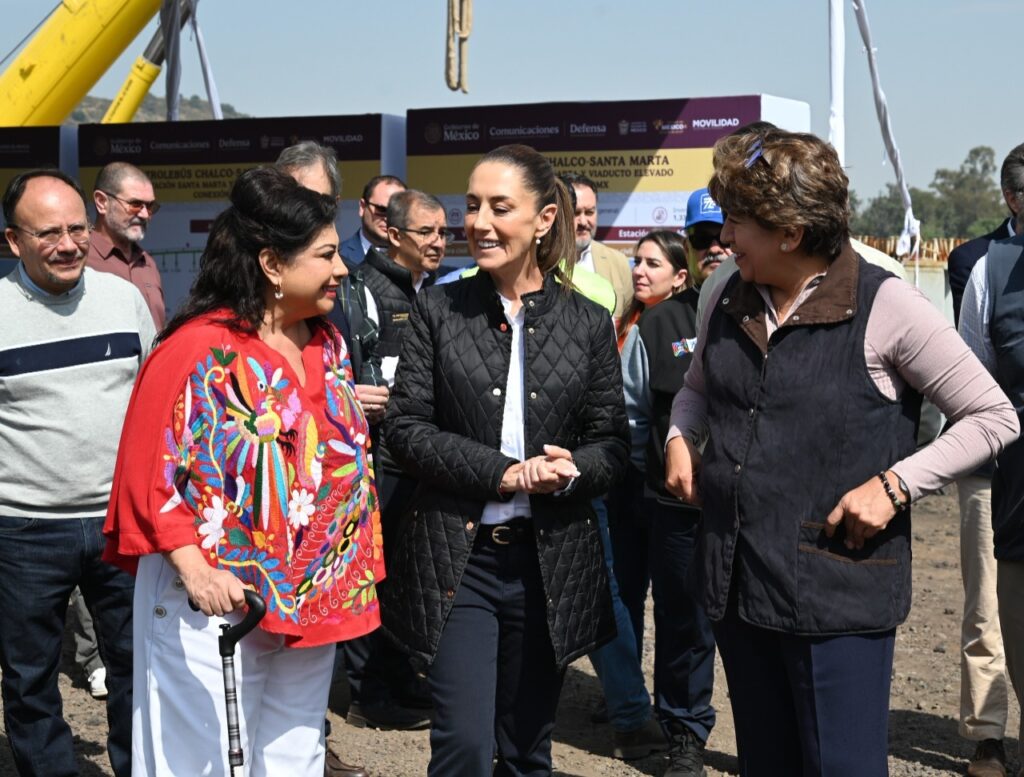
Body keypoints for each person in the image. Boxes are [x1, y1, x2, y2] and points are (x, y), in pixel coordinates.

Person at [664, 128, 1019, 775]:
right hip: (740, 588)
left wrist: (895, 485)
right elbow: (695, 389)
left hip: (838, 596)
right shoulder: (724, 292)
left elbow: (993, 415)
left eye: (737, 221)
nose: (724, 237)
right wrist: (678, 438)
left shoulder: (887, 305)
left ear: (791, 232)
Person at [103, 166, 384, 776]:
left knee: (295, 754)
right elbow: (146, 472)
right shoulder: (196, 349)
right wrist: (194, 568)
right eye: (327, 255)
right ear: (273, 265)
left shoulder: (328, 342)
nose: (342, 269)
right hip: (214, 600)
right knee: (200, 760)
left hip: (312, 596)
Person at [380, 143, 629, 776]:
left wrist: (575, 469)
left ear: (545, 220)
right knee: (462, 744)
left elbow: (612, 445)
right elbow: (405, 430)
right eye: (471, 206)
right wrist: (504, 473)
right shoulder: (440, 311)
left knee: (525, 750)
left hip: (548, 562)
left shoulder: (590, 323)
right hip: (460, 560)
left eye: (500, 207)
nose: (479, 222)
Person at [0, 168, 156, 777]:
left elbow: (156, 402)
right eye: (48, 234)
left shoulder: (124, 301)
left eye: (75, 229)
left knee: (135, 664)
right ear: (14, 241)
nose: (67, 245)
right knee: (31, 674)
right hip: (22, 530)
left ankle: (140, 765)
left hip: (121, 523)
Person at [274, 139, 378, 777]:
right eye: (292, 200)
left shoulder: (336, 315)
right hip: (261, 554)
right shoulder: (227, 327)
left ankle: (311, 740)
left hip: (326, 545)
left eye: (317, 203)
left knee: (302, 687)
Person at [607, 230, 715, 776]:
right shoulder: (653, 322)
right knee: (638, 603)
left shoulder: (741, 316)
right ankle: (646, 711)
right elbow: (630, 413)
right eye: (704, 240)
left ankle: (687, 727)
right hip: (648, 491)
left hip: (716, 501)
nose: (717, 246)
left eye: (654, 262)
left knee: (691, 617)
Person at [947, 142, 1024, 777]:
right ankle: (988, 733)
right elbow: (971, 378)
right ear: (1010, 198)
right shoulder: (977, 263)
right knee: (989, 602)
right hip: (994, 463)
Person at [87, 161, 166, 328]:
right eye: (135, 204)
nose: (145, 214)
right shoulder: (79, 260)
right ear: (102, 202)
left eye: (150, 206)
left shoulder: (148, 264)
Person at [563, 171, 633, 321]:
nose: (583, 222)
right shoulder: (541, 263)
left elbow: (627, 322)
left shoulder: (618, 262)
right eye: (575, 213)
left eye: (589, 212)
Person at [340, 175, 407, 265]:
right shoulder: (338, 257)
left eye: (397, 212)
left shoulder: (417, 262)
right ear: (362, 207)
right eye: (381, 209)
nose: (389, 218)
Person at [682, 187, 733, 287]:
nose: (714, 249)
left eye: (725, 238)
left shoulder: (764, 301)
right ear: (687, 250)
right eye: (702, 239)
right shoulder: (671, 303)